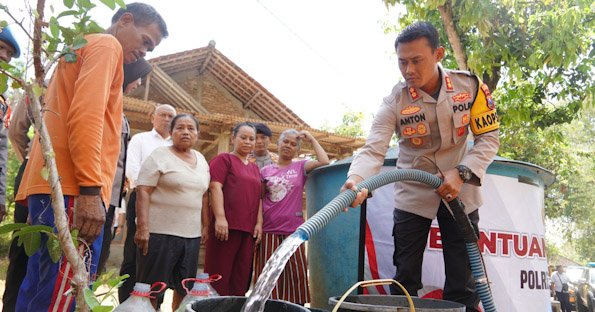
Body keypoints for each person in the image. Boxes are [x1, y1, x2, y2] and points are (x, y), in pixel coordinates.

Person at [14, 3, 168, 311]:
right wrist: (88, 191)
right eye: (145, 41)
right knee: (65, 292)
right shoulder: (107, 45)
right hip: (73, 189)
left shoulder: (80, 48)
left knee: (40, 288)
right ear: (125, 20)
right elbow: (86, 117)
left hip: (55, 186)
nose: (144, 52)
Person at [341, 22, 499, 311]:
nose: (409, 70)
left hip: (460, 192)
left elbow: (488, 138)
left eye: (416, 61)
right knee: (404, 277)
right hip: (414, 195)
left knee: (463, 281)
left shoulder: (471, 87)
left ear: (438, 54)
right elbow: (373, 148)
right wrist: (357, 180)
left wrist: (462, 172)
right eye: (402, 62)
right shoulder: (395, 101)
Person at [134, 114, 209, 310]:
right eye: (180, 128)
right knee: (152, 288)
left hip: (191, 236)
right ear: (171, 133)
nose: (185, 132)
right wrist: (143, 228)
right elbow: (143, 190)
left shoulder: (201, 159)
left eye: (191, 128)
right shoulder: (160, 155)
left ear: (197, 134)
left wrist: (206, 225)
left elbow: (204, 195)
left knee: (184, 288)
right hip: (159, 234)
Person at [253, 129, 329, 305]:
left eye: (293, 144)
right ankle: (268, 308)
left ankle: (295, 308)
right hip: (269, 230)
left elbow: (324, 161)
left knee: (296, 275)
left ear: (297, 149)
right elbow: (259, 198)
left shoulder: (300, 166)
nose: (288, 146)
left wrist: (310, 138)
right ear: (278, 144)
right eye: (285, 142)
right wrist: (258, 224)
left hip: (293, 232)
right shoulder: (265, 171)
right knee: (268, 276)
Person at [97, 58, 153, 275]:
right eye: (137, 76)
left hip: (109, 199)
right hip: (95, 194)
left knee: (98, 258)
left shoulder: (120, 111)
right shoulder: (103, 102)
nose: (138, 83)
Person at [119, 102, 176, 301]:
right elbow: (133, 171)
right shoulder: (140, 140)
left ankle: (154, 302)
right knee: (134, 252)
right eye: (162, 115)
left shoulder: (177, 146)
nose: (167, 119)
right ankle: (126, 302)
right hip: (141, 199)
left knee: (160, 254)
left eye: (171, 116)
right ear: (152, 117)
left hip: (168, 205)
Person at [204, 122, 262, 296]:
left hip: (248, 230)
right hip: (225, 228)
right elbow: (215, 187)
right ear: (233, 138)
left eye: (251, 139)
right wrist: (220, 217)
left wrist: (259, 223)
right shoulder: (223, 160)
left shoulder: (254, 168)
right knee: (219, 276)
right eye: (243, 137)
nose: (247, 142)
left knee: (241, 278)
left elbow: (258, 197)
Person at [0, 25, 23, 312]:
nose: (4, 56)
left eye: (8, 52)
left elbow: (1, 149)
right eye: (0, 48)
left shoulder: (3, 100)